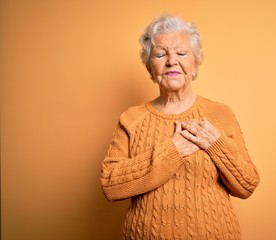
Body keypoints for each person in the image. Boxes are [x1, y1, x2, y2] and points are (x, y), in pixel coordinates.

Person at [101, 14, 260, 239]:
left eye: (181, 53)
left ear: (194, 65)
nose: (171, 61)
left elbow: (247, 185)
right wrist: (173, 149)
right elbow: (111, 185)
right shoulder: (132, 118)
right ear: (149, 67)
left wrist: (216, 144)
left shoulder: (220, 114)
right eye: (160, 54)